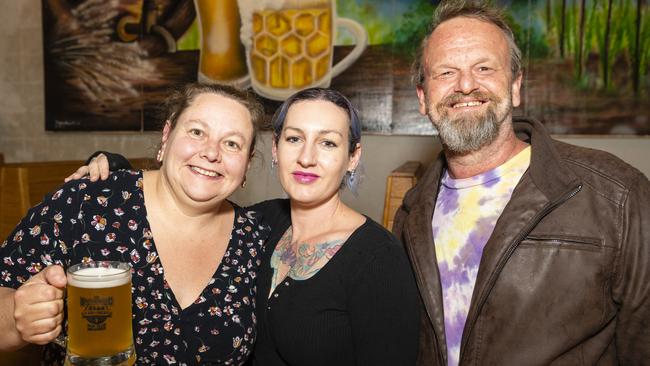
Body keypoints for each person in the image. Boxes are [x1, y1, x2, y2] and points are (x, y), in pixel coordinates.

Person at [67, 88, 421, 365]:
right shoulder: (259, 225)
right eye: (295, 138)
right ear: (277, 149)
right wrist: (115, 170)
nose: (307, 157)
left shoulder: (378, 260)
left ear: (352, 157)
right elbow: (185, 202)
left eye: (328, 142)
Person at [392, 1, 650, 365]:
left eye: (484, 68)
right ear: (423, 97)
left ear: (515, 86)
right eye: (446, 73)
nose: (466, 85)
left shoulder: (617, 195)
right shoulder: (411, 213)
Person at [0, 83, 271, 365]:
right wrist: (18, 316)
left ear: (247, 165)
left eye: (232, 143)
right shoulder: (86, 202)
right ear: (166, 137)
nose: (211, 152)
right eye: (197, 131)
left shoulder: (255, 239)